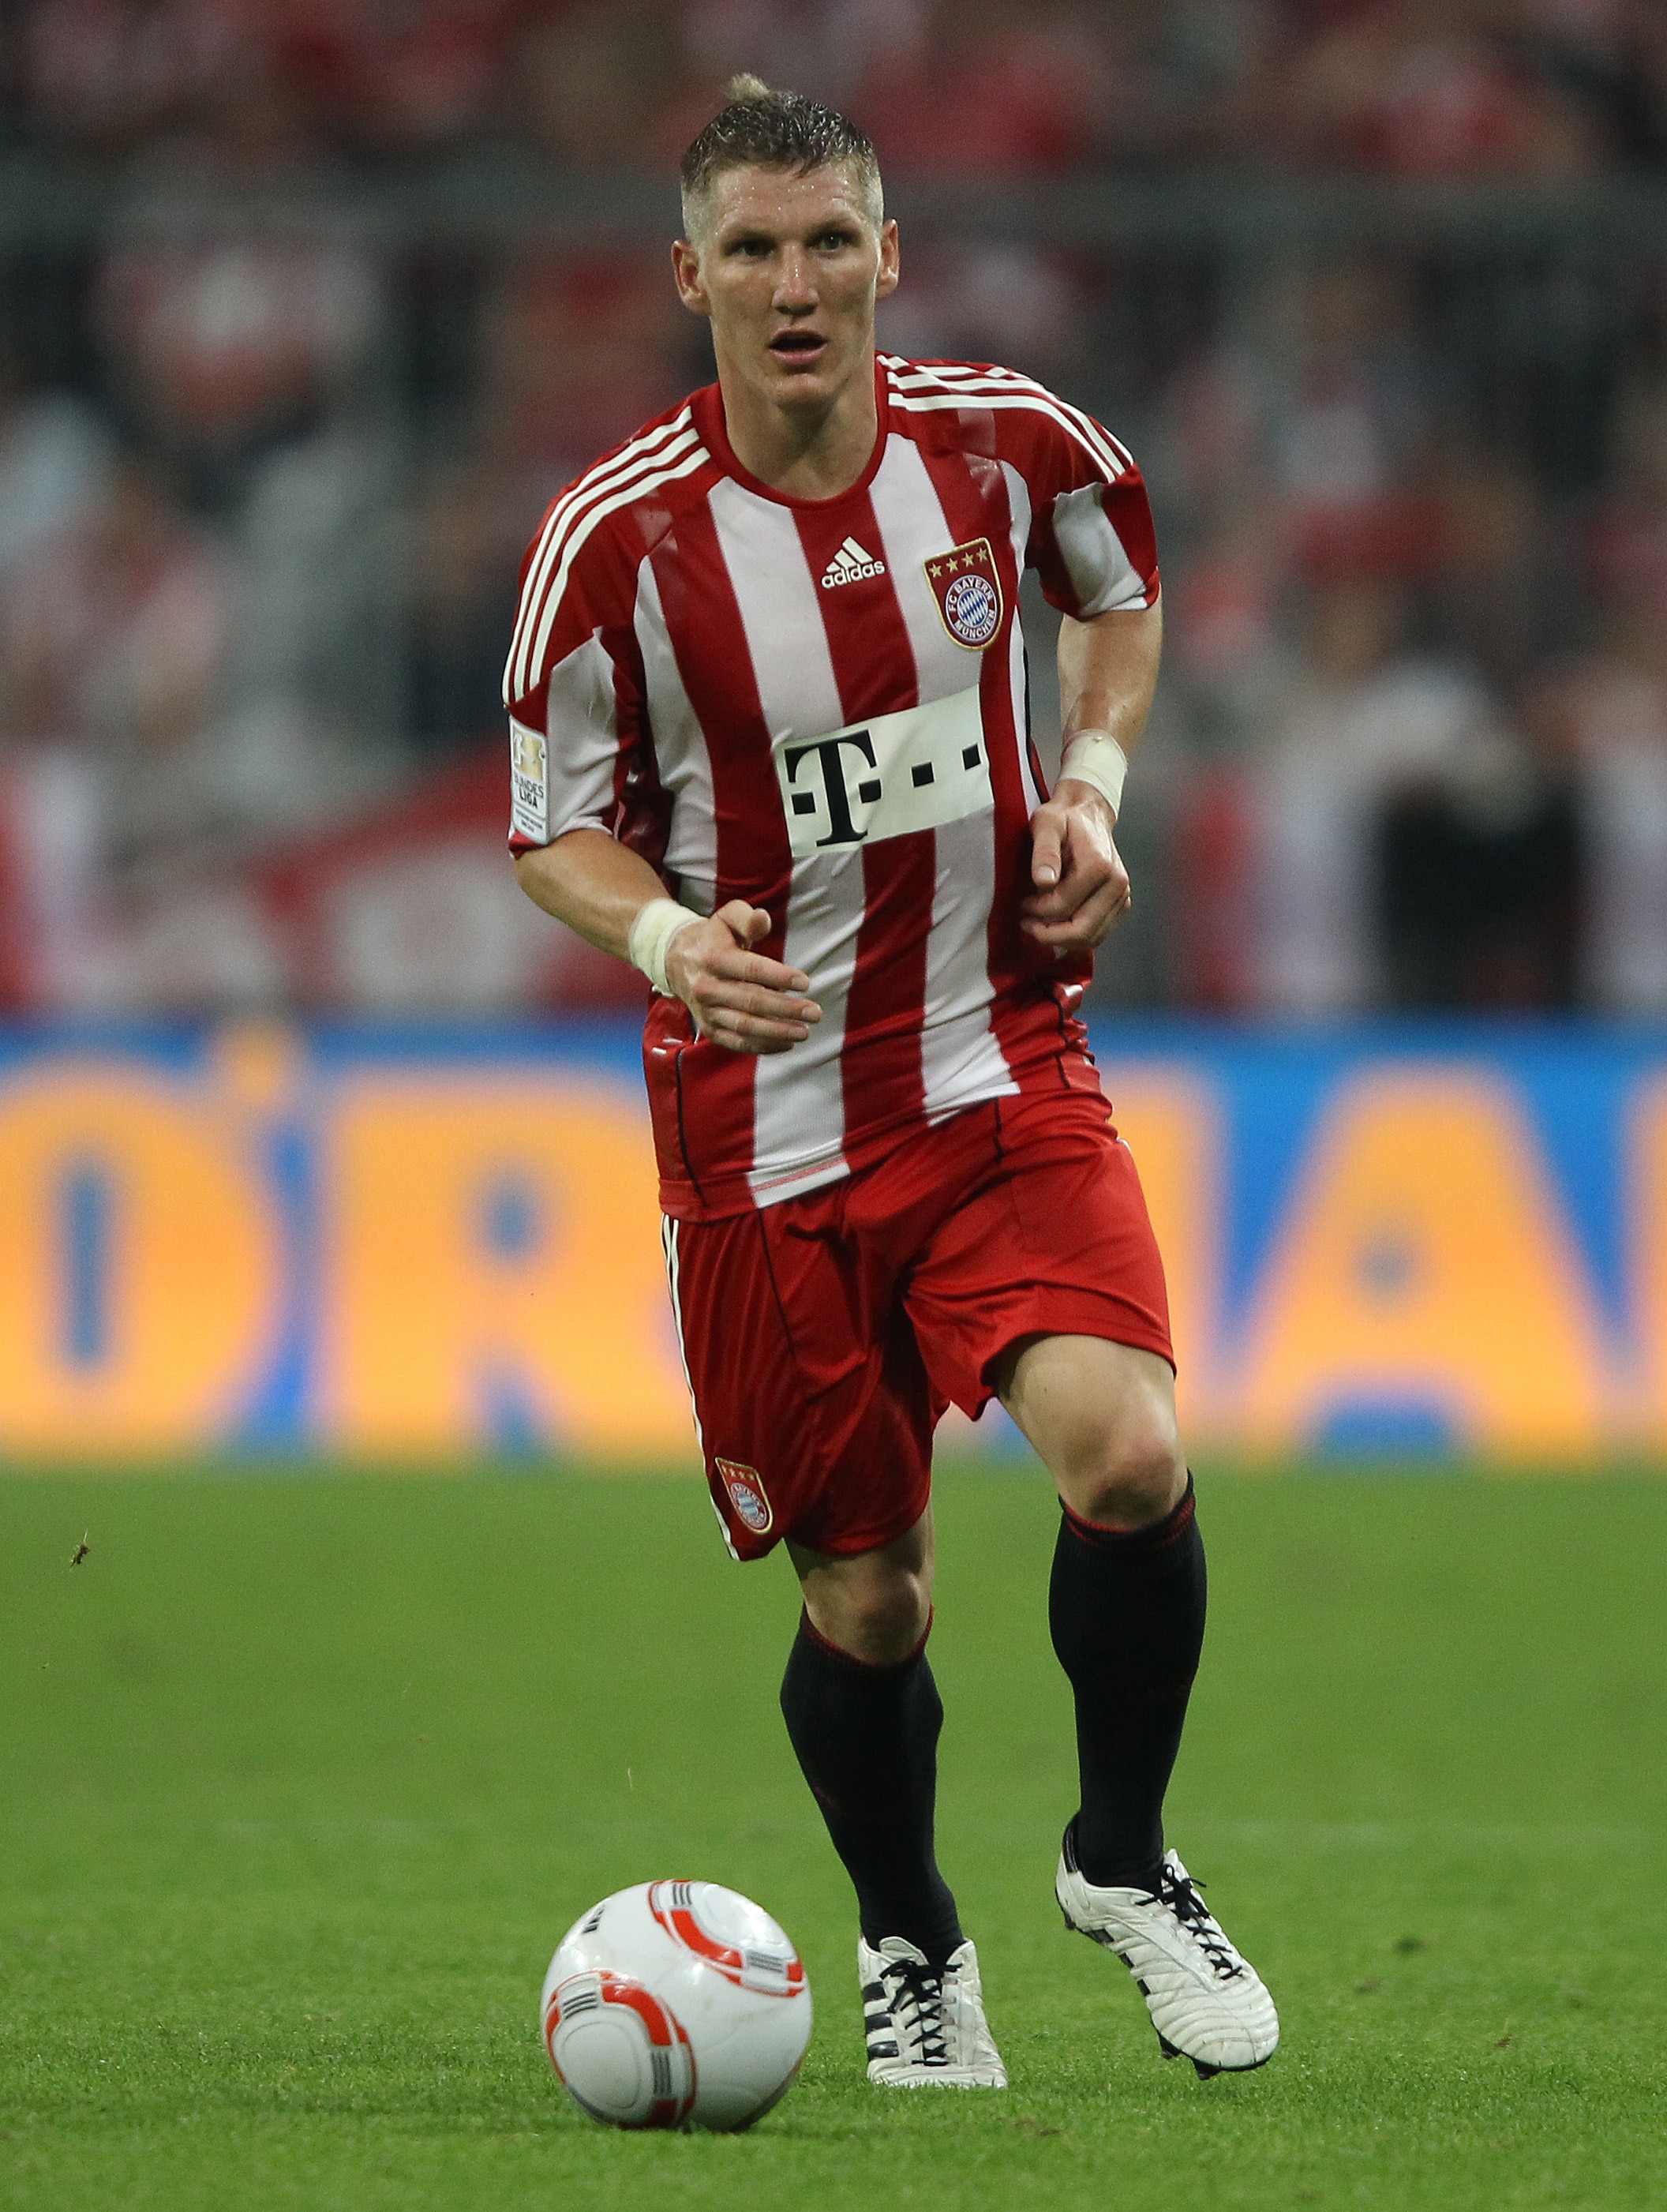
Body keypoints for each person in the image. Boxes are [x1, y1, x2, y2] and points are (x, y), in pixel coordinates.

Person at [507, 75, 1278, 2090]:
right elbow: (551, 826)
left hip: (995, 1059)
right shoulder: (614, 547)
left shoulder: (1012, 448)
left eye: (829, 240)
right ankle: (913, 1939)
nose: (794, 284)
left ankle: (1121, 1858)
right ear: (689, 277)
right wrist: (671, 939)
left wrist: (1093, 785)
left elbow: (1117, 593)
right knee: (869, 1600)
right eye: (751, 249)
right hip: (761, 1143)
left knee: (1129, 1456)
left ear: (888, 257)